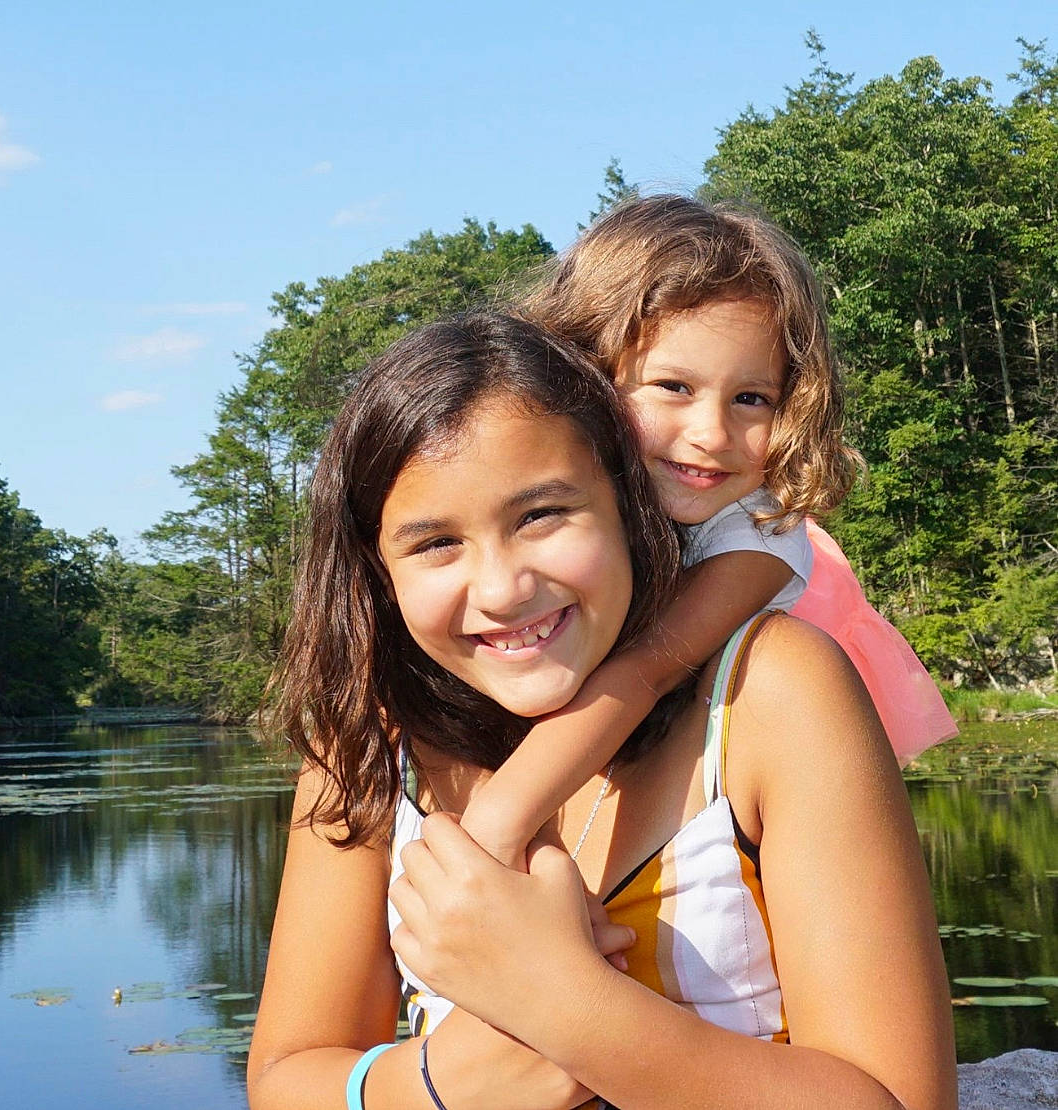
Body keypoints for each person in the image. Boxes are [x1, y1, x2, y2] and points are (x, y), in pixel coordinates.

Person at [244, 311, 955, 1110]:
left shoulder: (771, 691)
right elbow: (285, 1077)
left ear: (627, 502)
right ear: (378, 573)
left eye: (542, 514)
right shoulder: (374, 747)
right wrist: (440, 1085)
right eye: (436, 543)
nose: (504, 590)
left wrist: (565, 1009)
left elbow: (902, 1099)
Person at [458, 194, 955, 872]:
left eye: (751, 399)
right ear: (586, 376)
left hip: (747, 759)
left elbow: (643, 673)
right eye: (673, 387)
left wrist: (490, 832)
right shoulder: (562, 513)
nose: (713, 435)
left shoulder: (760, 535)